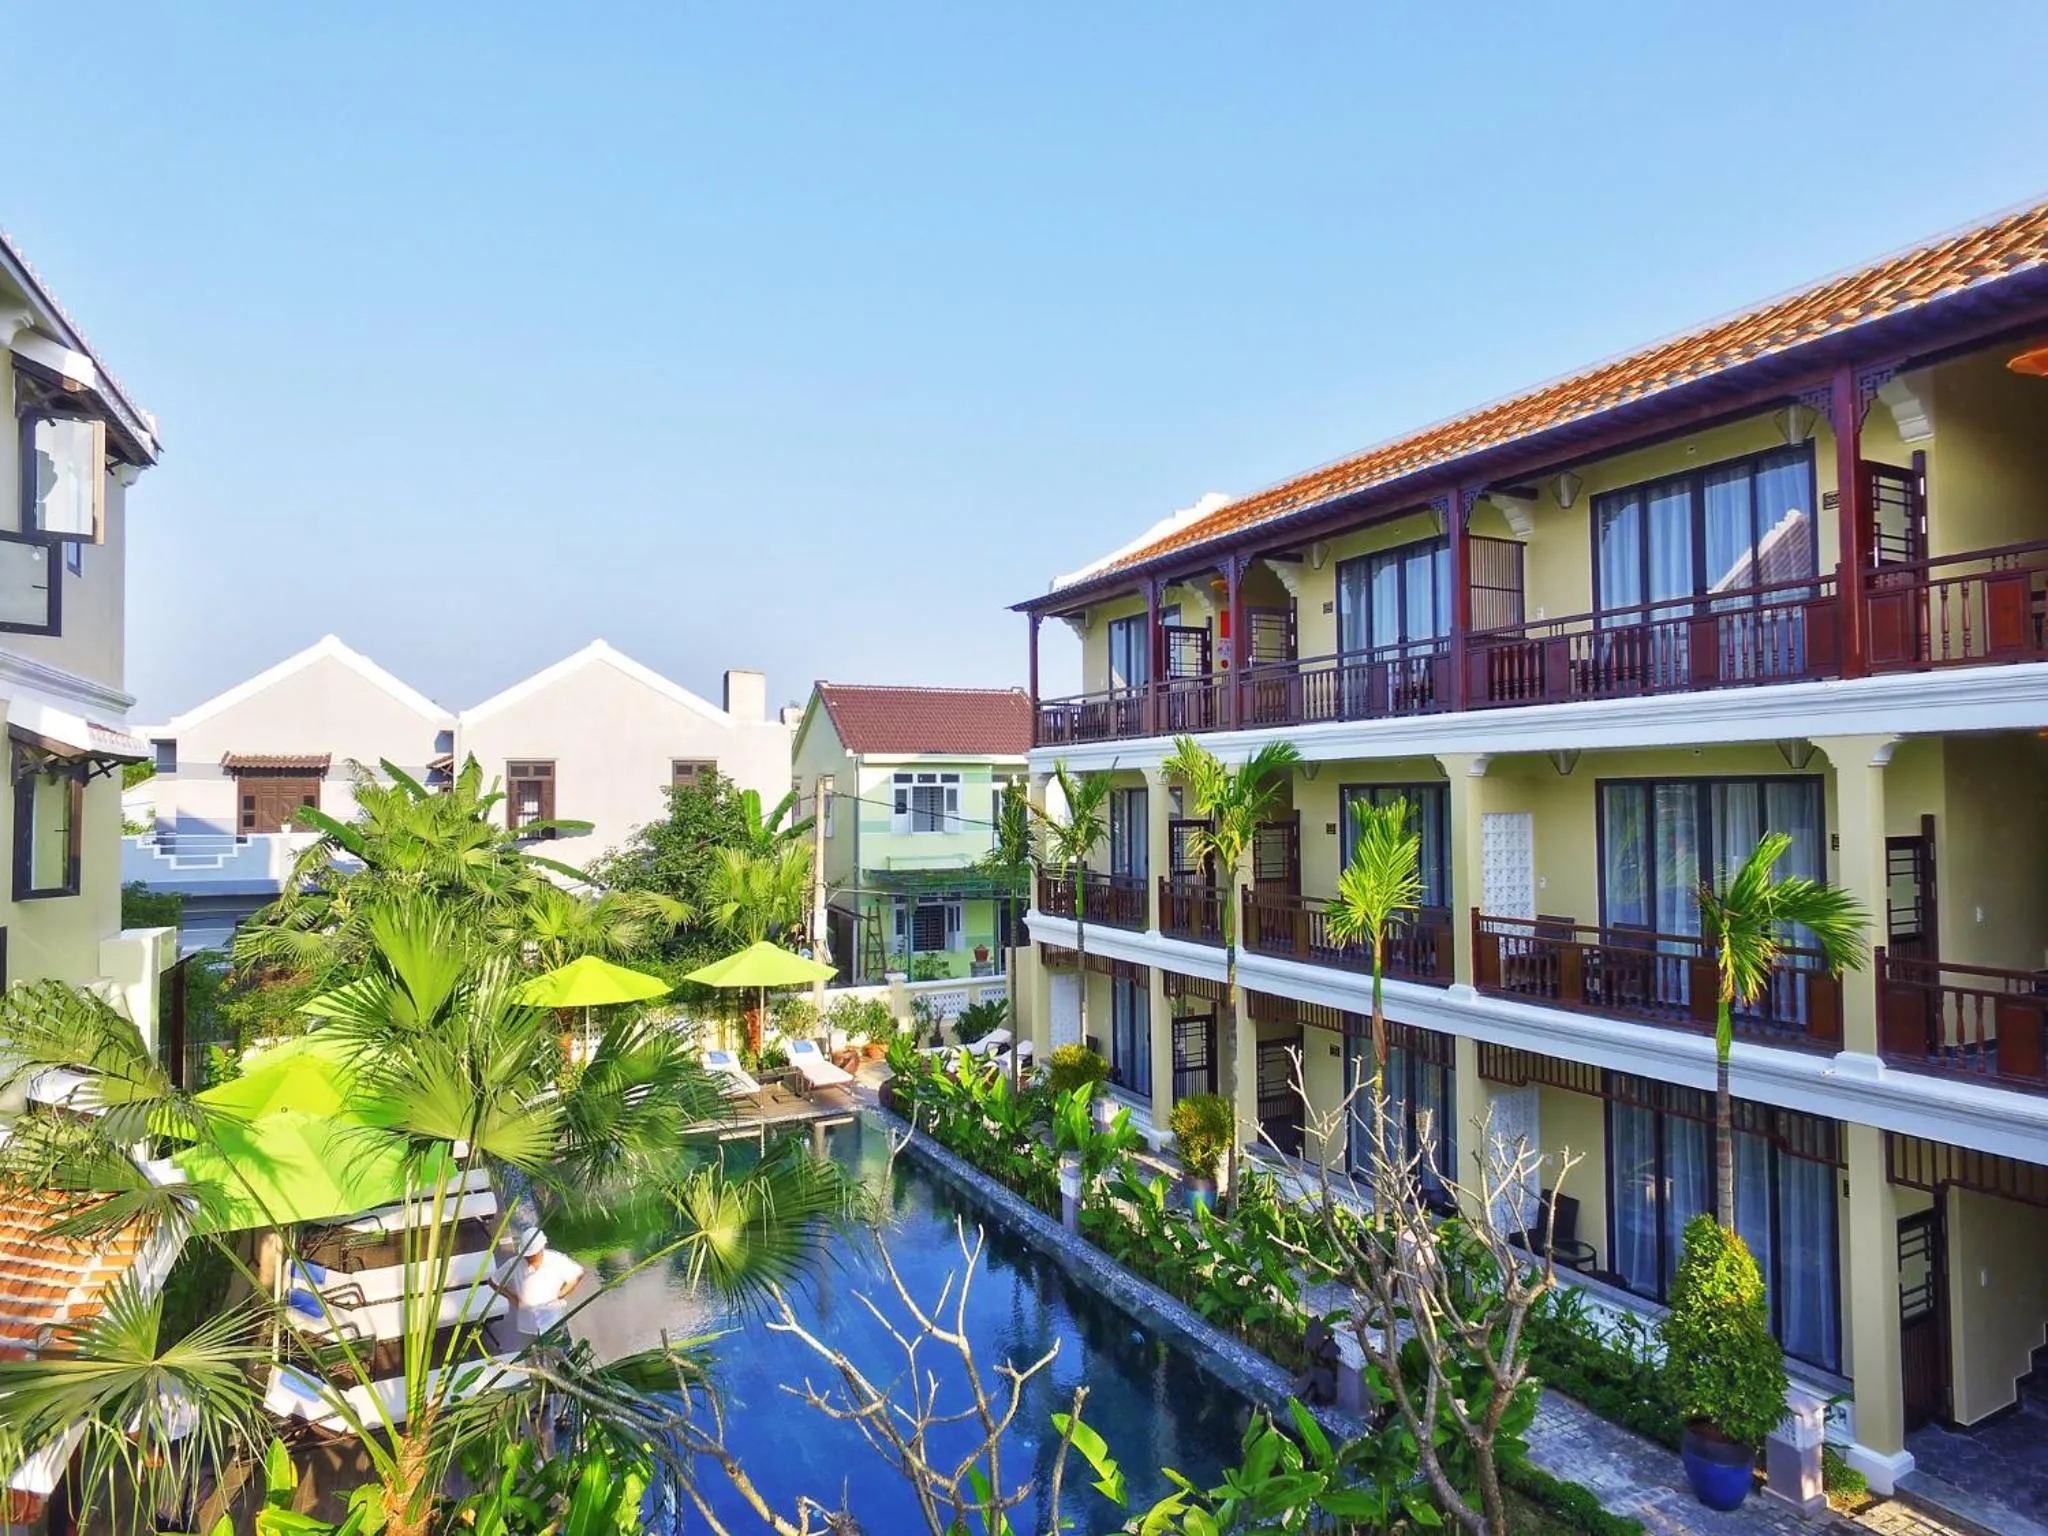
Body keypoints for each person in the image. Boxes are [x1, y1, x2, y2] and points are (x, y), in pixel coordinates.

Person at [499, 1227, 585, 1336]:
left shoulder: (556, 1260)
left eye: (533, 1255)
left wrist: (562, 1294)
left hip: (552, 1322)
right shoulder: (514, 1264)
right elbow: (495, 1282)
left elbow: (578, 1274)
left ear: (541, 1248)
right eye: (527, 1256)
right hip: (527, 1326)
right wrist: (512, 1297)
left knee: (552, 1345)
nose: (529, 1258)